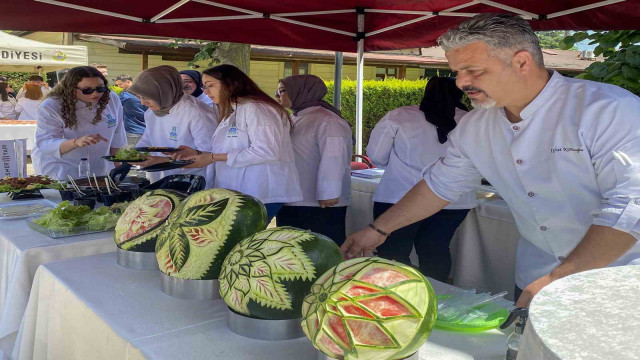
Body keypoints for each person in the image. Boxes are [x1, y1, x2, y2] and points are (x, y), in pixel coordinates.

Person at [342, 13, 640, 308]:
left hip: (617, 279)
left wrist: (560, 279)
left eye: (473, 70)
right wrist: (378, 230)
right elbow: (439, 185)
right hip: (535, 273)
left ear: (522, 62)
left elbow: (631, 206)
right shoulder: (476, 125)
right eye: (456, 71)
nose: (461, 82)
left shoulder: (608, 109)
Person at [365, 77, 476, 282]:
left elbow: (377, 156)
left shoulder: (399, 116)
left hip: (399, 195)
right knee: (436, 249)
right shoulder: (471, 120)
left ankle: (400, 296)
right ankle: (436, 297)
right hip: (454, 200)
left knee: (393, 252)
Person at [172, 64, 302, 221]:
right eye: (204, 87)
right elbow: (234, 149)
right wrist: (200, 155)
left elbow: (266, 151)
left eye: (210, 86)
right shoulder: (235, 109)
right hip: (242, 192)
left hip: (262, 191)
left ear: (230, 84)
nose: (206, 92)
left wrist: (212, 157)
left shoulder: (258, 108)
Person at [274, 75, 352, 244]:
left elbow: (334, 157)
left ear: (300, 91)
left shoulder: (328, 120)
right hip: (291, 197)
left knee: (323, 251)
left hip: (320, 203)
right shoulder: (295, 117)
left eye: (281, 91)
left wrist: (328, 193)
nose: (277, 96)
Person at [31, 66, 127, 179]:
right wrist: (75, 142)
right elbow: (45, 143)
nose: (95, 94)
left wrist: (119, 167)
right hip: (62, 167)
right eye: (87, 90)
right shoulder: (51, 105)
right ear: (71, 88)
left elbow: (118, 134)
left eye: (100, 88)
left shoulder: (111, 99)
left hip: (100, 165)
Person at [128, 65, 218, 183]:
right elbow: (148, 139)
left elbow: (209, 156)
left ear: (164, 92)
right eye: (139, 97)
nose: (142, 102)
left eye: (146, 97)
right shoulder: (152, 112)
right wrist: (133, 156)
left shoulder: (198, 114)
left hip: (194, 181)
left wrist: (161, 160)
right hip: (162, 178)